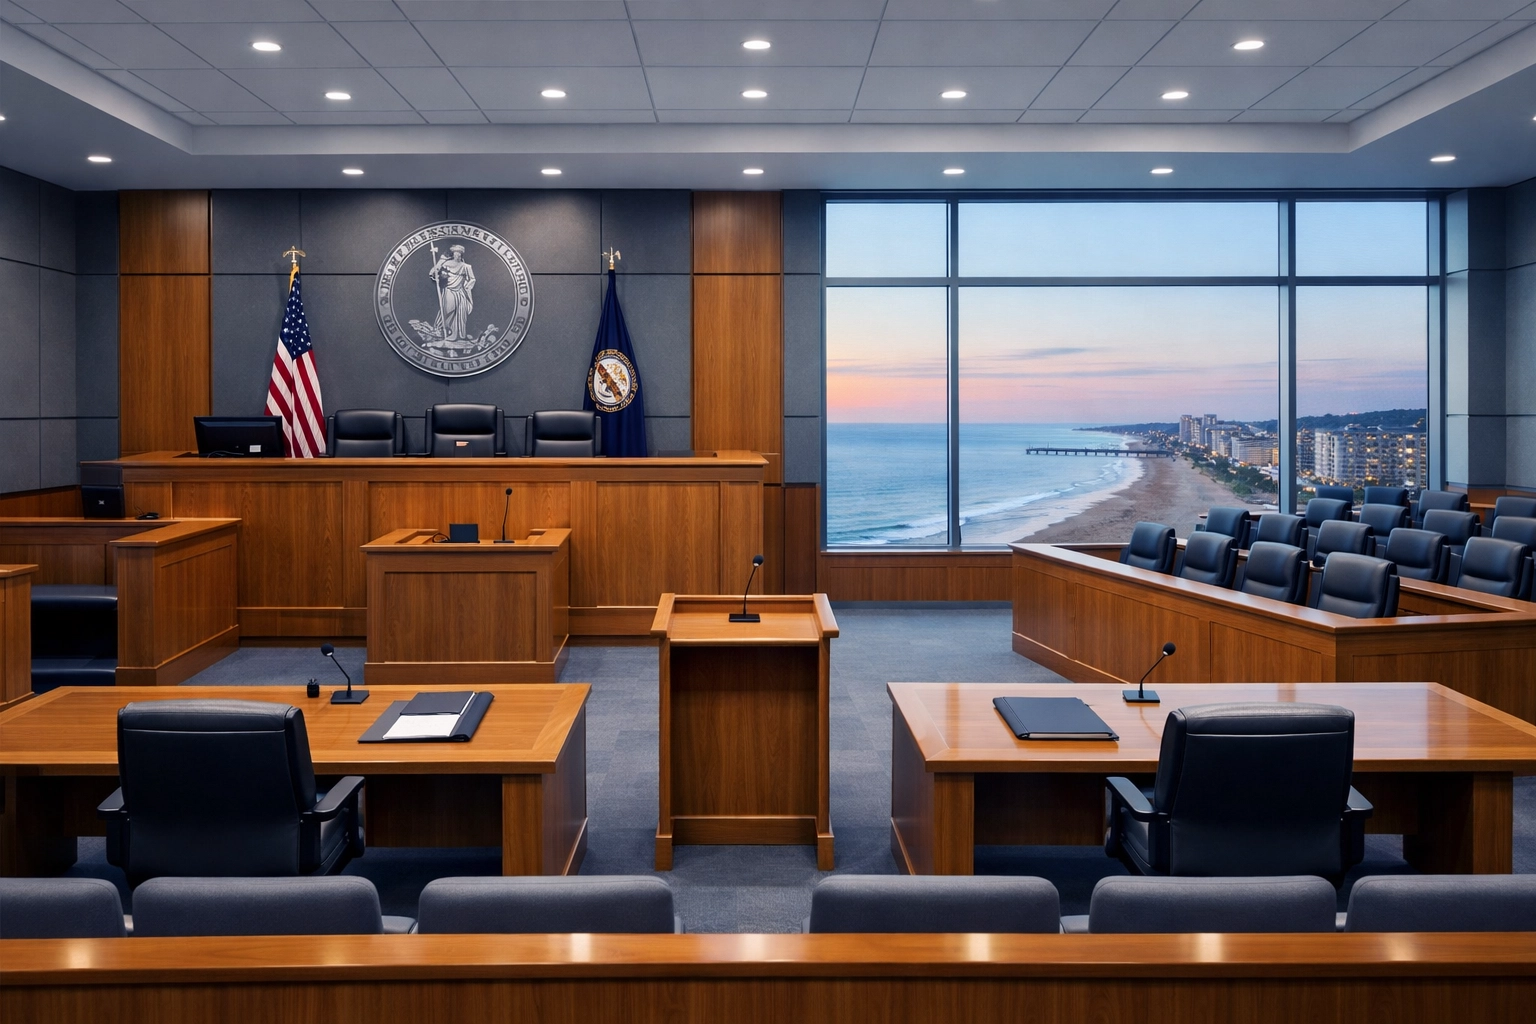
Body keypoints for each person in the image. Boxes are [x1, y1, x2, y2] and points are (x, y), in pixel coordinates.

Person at [427, 243, 476, 345]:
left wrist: (467, 286)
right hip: (449, 290)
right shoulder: (446, 264)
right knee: (447, 310)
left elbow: (472, 279)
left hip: (461, 292)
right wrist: (437, 274)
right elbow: (434, 271)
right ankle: (441, 330)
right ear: (453, 254)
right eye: (455, 254)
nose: (457, 256)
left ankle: (458, 335)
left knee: (460, 313)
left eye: (459, 254)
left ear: (461, 255)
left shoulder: (466, 267)